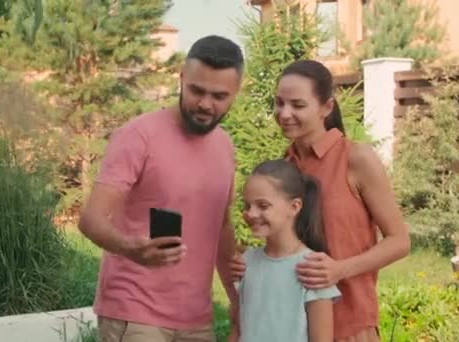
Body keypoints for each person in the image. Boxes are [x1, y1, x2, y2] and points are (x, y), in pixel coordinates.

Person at [229, 60, 411, 341]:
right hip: (293, 329)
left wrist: (340, 269)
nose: (285, 113)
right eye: (279, 103)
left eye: (298, 105)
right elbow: (286, 244)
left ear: (326, 108)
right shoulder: (283, 169)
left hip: (351, 326)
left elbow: (399, 241)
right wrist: (251, 263)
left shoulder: (356, 159)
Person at [78, 35, 243, 342]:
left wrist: (236, 298)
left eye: (219, 96)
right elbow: (90, 220)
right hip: (135, 311)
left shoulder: (225, 146)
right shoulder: (138, 136)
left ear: (236, 93)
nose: (205, 104)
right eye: (196, 90)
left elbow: (221, 226)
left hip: (197, 318)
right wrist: (131, 248)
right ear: (181, 78)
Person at [229, 159, 341, 342]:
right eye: (247, 205)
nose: (251, 214)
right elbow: (238, 329)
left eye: (263, 206)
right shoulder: (246, 262)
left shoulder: (314, 269)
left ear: (294, 206)